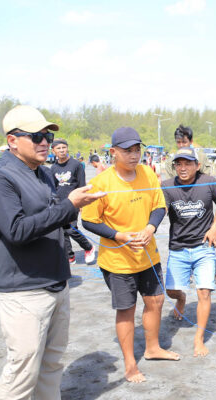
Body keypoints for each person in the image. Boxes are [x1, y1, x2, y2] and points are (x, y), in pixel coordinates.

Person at [0, 105, 105, 399]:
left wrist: (76, 204)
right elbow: (17, 231)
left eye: (46, 135)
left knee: (52, 364)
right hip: (24, 290)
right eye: (36, 136)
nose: (45, 142)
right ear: (12, 140)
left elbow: (57, 217)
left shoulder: (43, 174)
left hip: (58, 282)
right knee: (23, 371)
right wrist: (68, 205)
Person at [81, 127, 179, 384]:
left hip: (148, 254)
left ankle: (153, 347)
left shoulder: (147, 174)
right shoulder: (101, 184)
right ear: (113, 152)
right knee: (126, 310)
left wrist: (150, 228)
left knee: (155, 301)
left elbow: (159, 206)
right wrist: (119, 236)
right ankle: (129, 364)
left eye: (137, 150)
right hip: (118, 261)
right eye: (127, 151)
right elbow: (88, 221)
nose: (134, 155)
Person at [162, 147, 216, 357]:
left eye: (187, 163)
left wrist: (214, 228)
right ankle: (181, 299)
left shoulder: (209, 181)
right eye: (178, 164)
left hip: (203, 247)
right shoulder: (166, 186)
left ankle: (198, 339)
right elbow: (159, 211)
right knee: (170, 291)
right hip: (178, 247)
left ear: (197, 165)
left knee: (204, 292)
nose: (183, 168)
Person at [50, 138, 96, 264]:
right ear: (53, 151)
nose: (61, 150)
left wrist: (83, 202)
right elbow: (53, 187)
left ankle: (89, 247)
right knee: (62, 230)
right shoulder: (53, 168)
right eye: (58, 148)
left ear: (67, 148)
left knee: (71, 228)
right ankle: (70, 255)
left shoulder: (76, 165)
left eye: (63, 148)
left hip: (74, 202)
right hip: (59, 203)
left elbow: (82, 183)